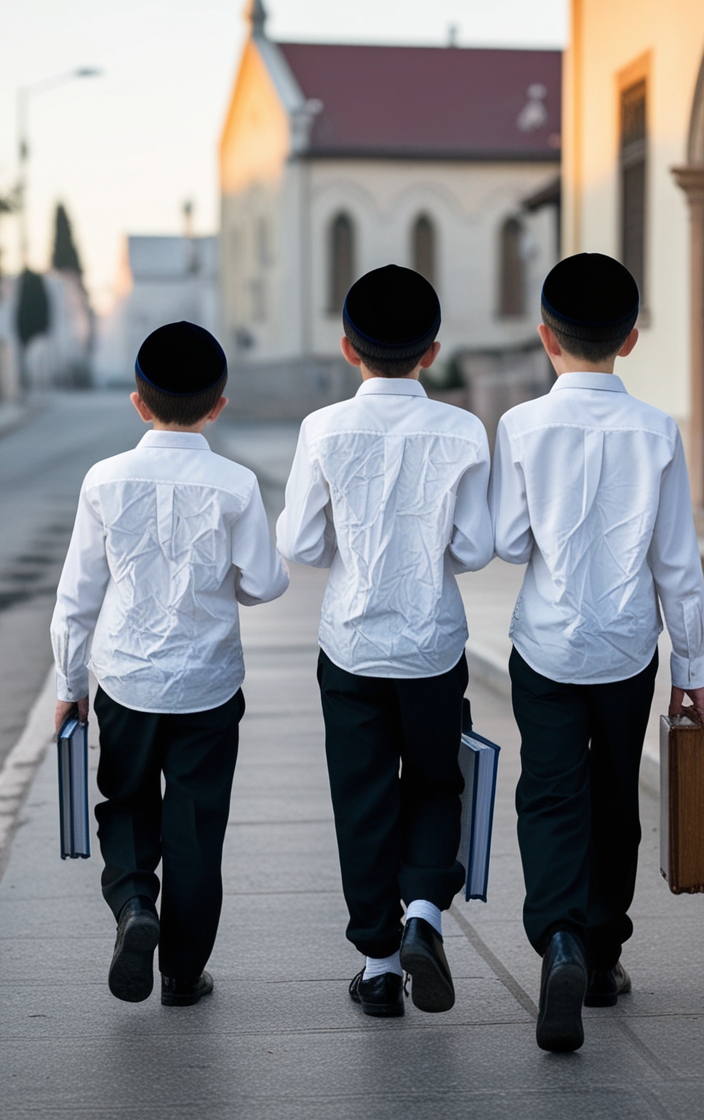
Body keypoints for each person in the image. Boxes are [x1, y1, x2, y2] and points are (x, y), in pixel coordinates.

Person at [489, 253, 704, 1052]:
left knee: (549, 793)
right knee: (617, 798)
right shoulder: (657, 430)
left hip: (545, 644)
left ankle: (559, 943)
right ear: (631, 339)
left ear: (546, 337)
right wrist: (692, 671)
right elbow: (677, 563)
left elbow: (509, 539)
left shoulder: (520, 426)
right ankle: (605, 951)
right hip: (626, 648)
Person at [51, 321, 289, 1007]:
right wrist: (230, 585)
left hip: (125, 680)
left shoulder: (104, 480)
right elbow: (267, 582)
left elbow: (78, 594)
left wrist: (70, 686)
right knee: (195, 829)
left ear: (137, 401)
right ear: (219, 405)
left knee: (125, 804)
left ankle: (133, 905)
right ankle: (184, 974)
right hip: (208, 686)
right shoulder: (237, 484)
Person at [276, 265, 493, 1018]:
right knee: (437, 781)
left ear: (348, 348)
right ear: (432, 351)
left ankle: (376, 966)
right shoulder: (464, 430)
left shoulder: (323, 429)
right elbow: (473, 547)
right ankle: (425, 918)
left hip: (352, 645)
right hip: (433, 643)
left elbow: (301, 542)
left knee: (362, 795)